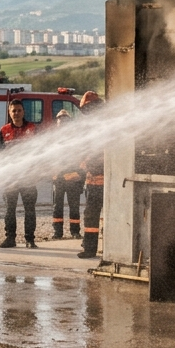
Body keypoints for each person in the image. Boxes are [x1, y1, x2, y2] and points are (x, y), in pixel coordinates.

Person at [0, 100, 39, 248]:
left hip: (28, 177)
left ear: (23, 112)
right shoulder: (4, 130)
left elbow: (41, 150)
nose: (16, 113)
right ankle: (10, 238)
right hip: (10, 178)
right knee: (9, 209)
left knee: (30, 209)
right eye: (13, 111)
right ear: (9, 112)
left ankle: (30, 239)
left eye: (19, 110)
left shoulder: (33, 129)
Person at [77, 92, 105, 259]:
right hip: (93, 180)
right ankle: (89, 248)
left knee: (103, 216)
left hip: (105, 180)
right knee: (91, 215)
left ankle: (108, 249)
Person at [50, 111, 83, 240]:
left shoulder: (76, 139)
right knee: (57, 206)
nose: (62, 124)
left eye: (65, 122)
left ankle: (75, 231)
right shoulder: (53, 140)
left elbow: (81, 158)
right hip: (58, 178)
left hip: (72, 178)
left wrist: (79, 175)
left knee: (74, 206)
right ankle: (57, 232)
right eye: (60, 122)